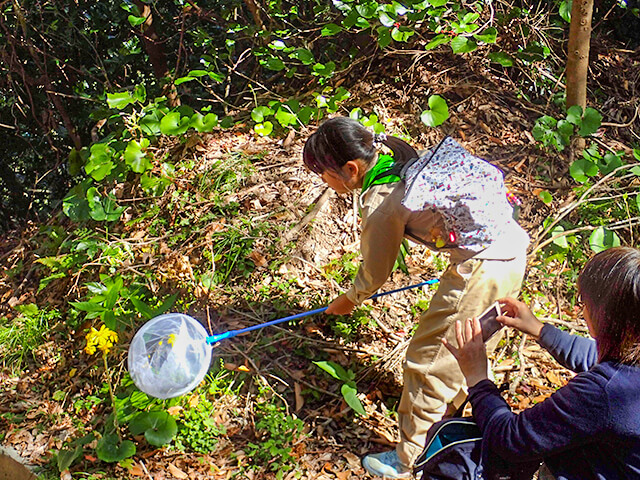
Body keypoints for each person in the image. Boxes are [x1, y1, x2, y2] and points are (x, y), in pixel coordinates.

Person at [302, 116, 530, 478]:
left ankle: (412, 459)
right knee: (462, 356)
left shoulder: (381, 200)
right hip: (510, 248)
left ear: (350, 168)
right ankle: (444, 427)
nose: (327, 184)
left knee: (428, 364)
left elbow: (376, 272)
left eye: (327, 176)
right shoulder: (397, 157)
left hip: (484, 268)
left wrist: (349, 298)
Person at [444, 246, 640, 480]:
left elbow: (509, 439)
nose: (580, 310)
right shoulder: (628, 372)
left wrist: (477, 378)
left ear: (605, 315)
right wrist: (540, 330)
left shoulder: (602, 394)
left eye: (584, 302)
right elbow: (592, 356)